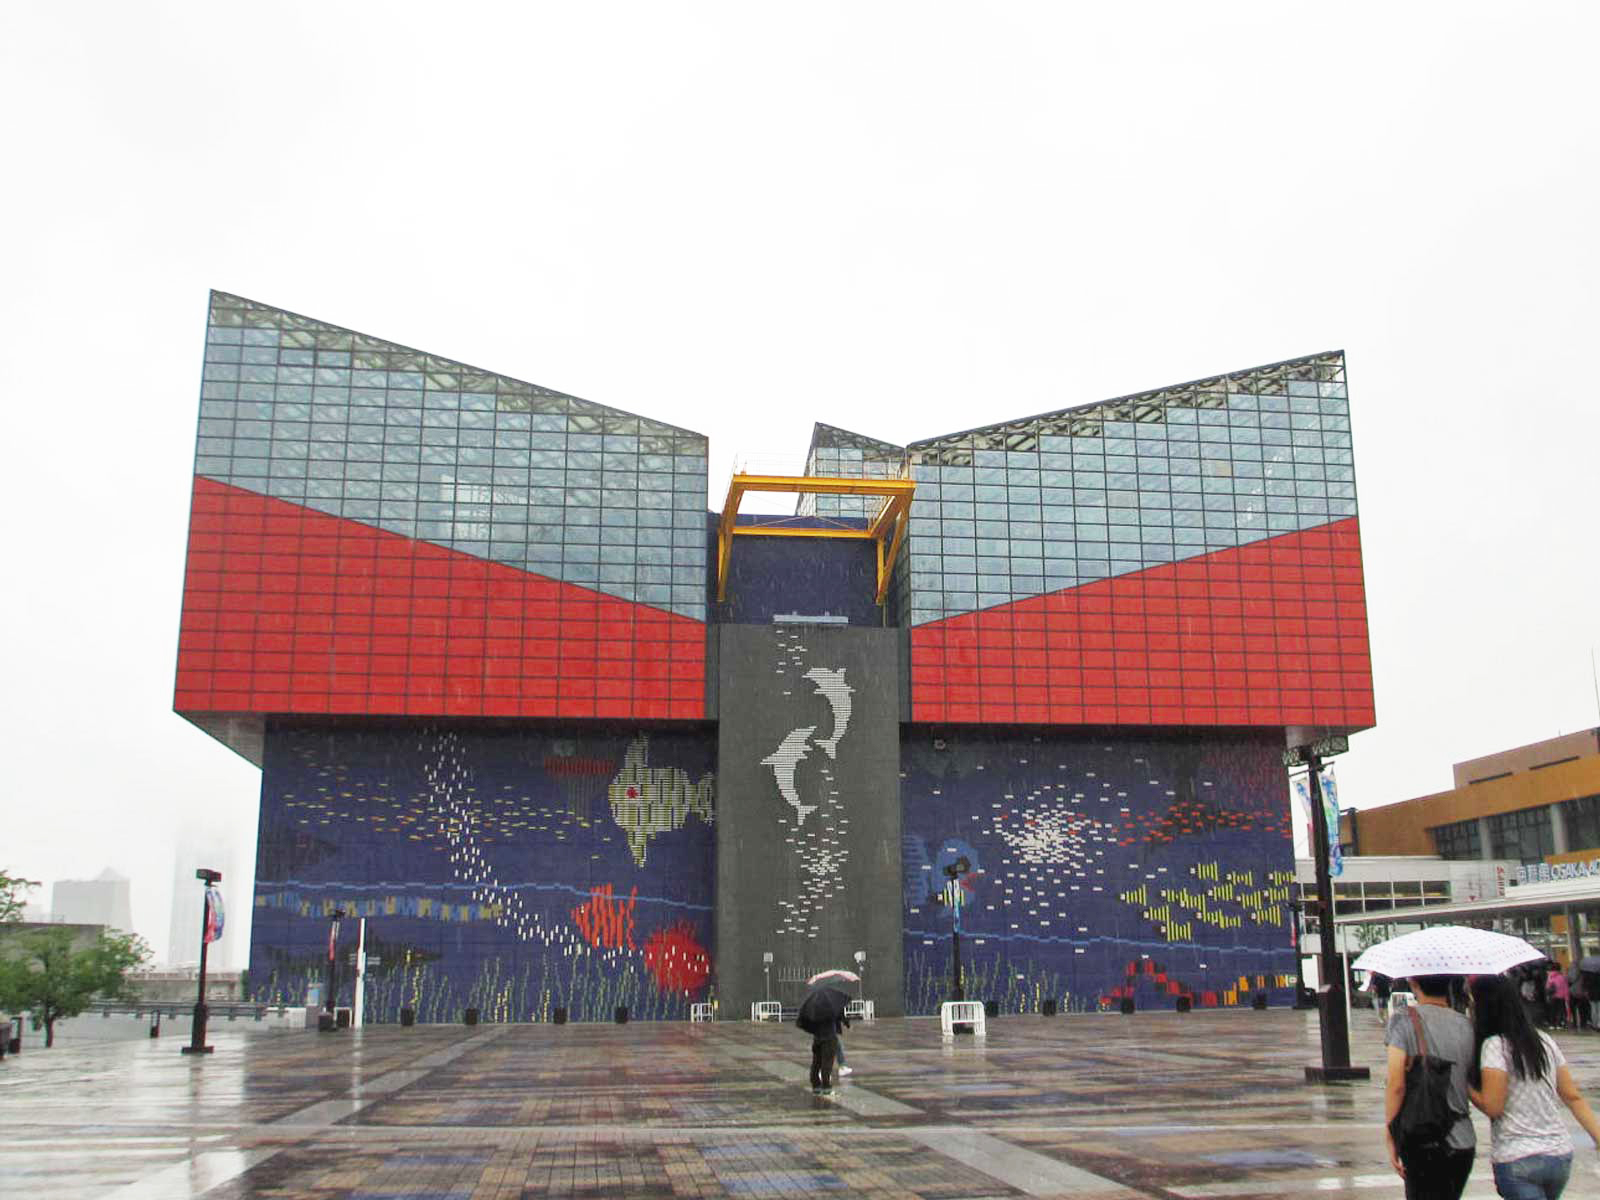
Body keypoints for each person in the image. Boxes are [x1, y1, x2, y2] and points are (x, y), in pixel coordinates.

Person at [1468, 974, 1600, 1198]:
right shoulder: (1544, 1041)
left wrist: (1466, 1086)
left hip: (1517, 1157)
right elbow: (1572, 1096)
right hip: (1558, 1155)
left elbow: (1493, 1107)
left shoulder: (1495, 1046)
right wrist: (1597, 1136)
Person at [1385, 973, 1476, 1200]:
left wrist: (1391, 1134)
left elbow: (1396, 1084)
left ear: (1414, 982)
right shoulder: (1467, 1025)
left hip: (1422, 1138)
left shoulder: (1402, 1020)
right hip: (1463, 1140)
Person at [809, 1011, 848, 1095]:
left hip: (817, 1036)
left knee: (816, 1062)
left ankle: (816, 1086)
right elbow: (837, 1014)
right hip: (829, 1036)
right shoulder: (830, 1007)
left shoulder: (814, 1007)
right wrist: (845, 1021)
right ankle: (826, 1087)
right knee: (827, 1063)